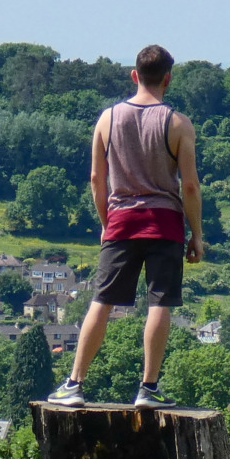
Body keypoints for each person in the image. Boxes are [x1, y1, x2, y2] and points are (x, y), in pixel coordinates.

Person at [46, 44, 205, 408]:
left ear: (135, 75)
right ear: (168, 79)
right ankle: (148, 389)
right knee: (159, 304)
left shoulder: (108, 118)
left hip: (120, 221)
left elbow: (95, 179)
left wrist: (107, 223)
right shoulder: (179, 124)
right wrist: (197, 235)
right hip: (164, 223)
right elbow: (191, 186)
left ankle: (74, 384)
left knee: (101, 302)